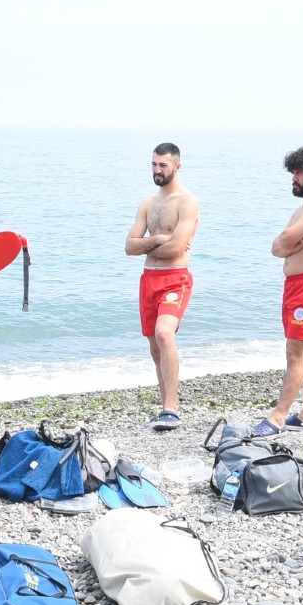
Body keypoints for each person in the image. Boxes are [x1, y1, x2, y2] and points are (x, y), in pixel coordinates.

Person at [253, 145, 303, 436]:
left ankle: (278, 416)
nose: (294, 178)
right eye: (293, 172)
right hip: (296, 285)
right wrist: (285, 244)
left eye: (299, 172)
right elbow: (277, 247)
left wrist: (287, 243)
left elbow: (286, 239)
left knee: (295, 350)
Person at [124, 142, 201, 431]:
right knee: (155, 348)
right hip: (148, 279)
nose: (157, 170)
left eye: (163, 165)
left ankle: (172, 408)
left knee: (164, 334)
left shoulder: (187, 202)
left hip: (175, 277)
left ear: (177, 167)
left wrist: (148, 244)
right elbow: (129, 247)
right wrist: (157, 239)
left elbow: (176, 248)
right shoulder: (148, 203)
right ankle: (164, 408)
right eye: (154, 164)